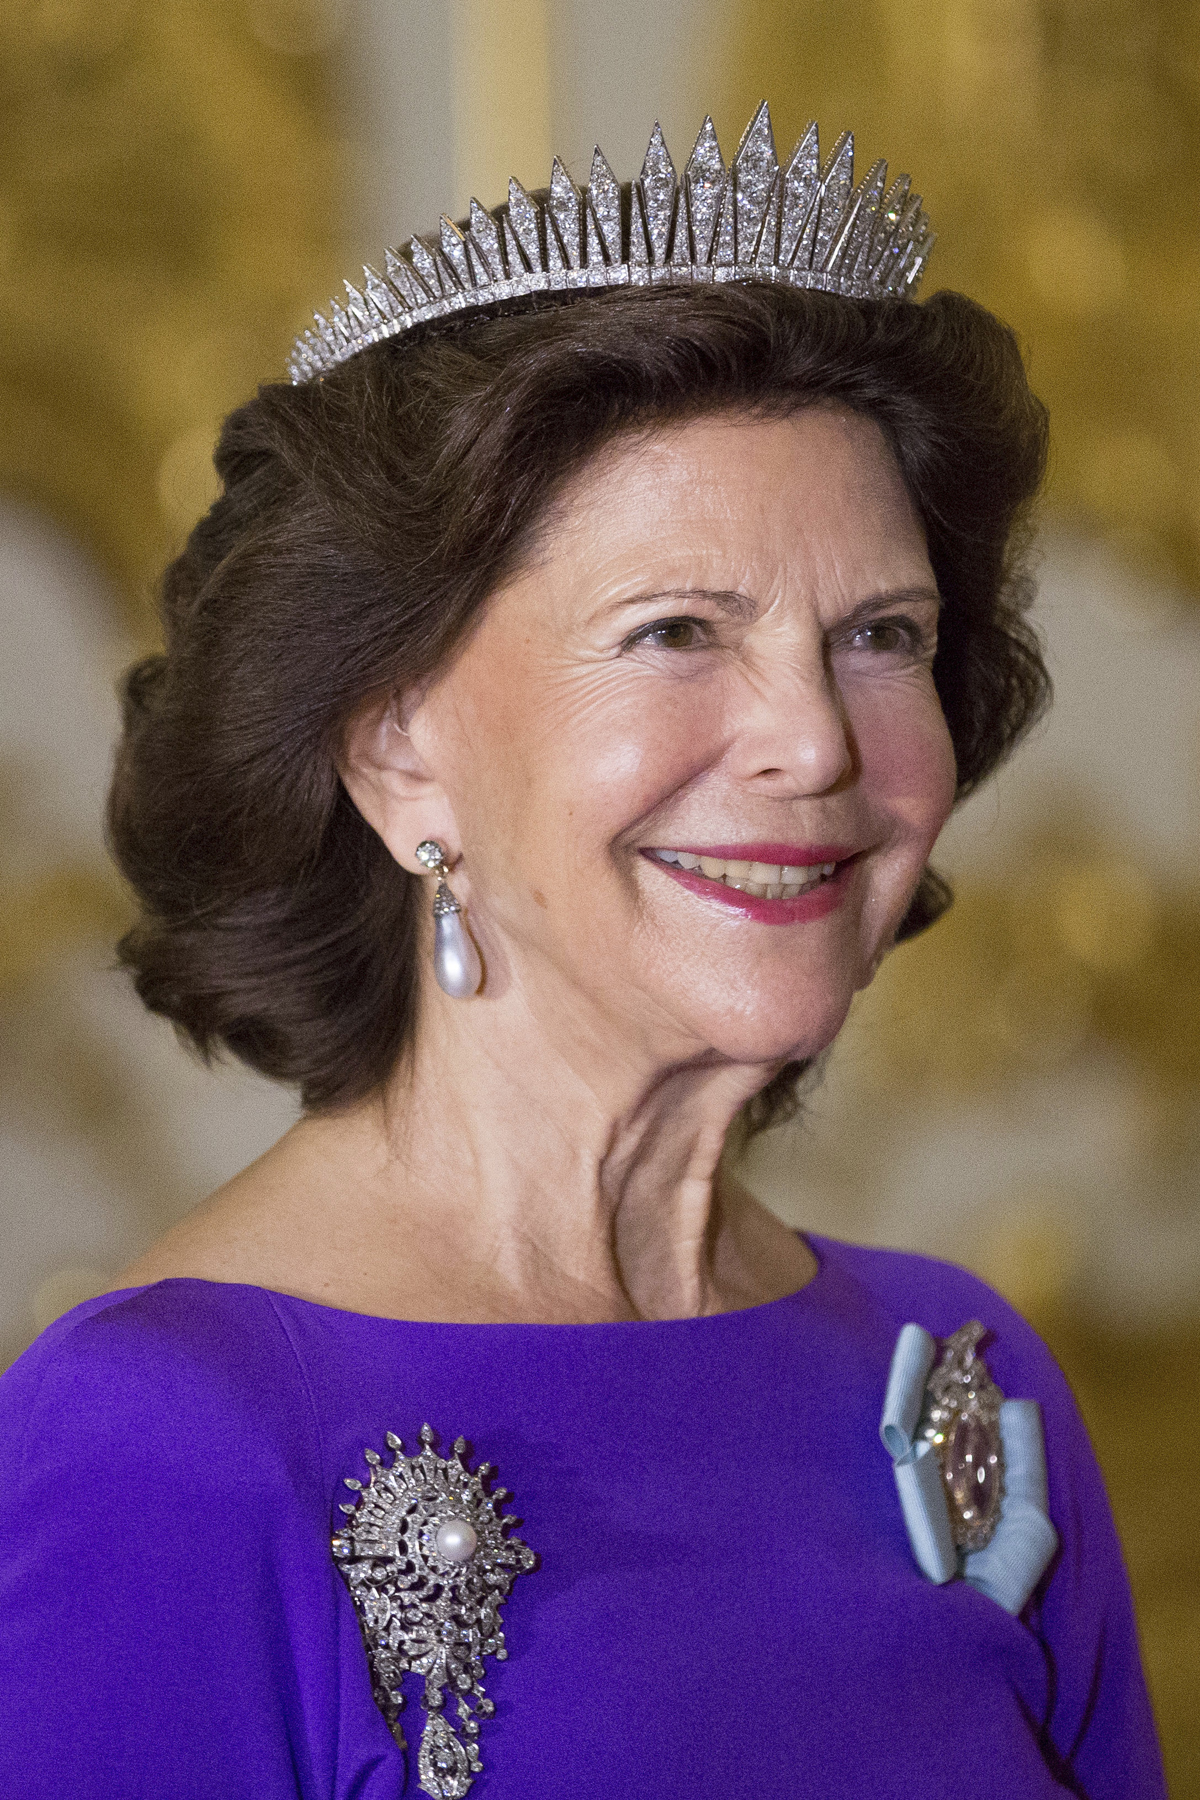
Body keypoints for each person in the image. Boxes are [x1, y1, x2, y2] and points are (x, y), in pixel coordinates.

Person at [0, 107, 1165, 1798]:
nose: (814, 743)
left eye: (881, 636)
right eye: (677, 630)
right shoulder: (170, 1443)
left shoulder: (970, 1380)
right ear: (394, 744)